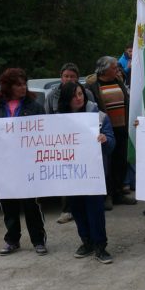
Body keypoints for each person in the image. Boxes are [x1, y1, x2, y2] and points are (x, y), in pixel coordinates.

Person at [0, 68, 48, 256]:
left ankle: (38, 240)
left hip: (28, 164)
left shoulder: (34, 106)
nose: (23, 87)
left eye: (25, 83)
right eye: (18, 84)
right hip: (5, 164)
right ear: (7, 86)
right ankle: (12, 240)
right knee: (8, 205)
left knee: (31, 205)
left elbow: (46, 132)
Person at [57, 81, 116, 264]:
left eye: (81, 93)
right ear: (67, 99)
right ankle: (86, 241)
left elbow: (112, 145)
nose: (78, 98)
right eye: (74, 95)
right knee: (77, 209)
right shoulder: (57, 120)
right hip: (71, 174)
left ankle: (100, 245)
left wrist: (105, 140)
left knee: (95, 210)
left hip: (93, 173)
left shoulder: (99, 117)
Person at [45, 62, 94, 224]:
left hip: (84, 143)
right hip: (62, 144)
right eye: (66, 76)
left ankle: (87, 207)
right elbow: (47, 118)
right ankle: (67, 210)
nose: (69, 79)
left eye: (72, 76)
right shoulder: (52, 95)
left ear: (77, 78)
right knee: (65, 177)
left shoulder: (86, 93)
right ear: (61, 77)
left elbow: (93, 115)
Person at [86, 56, 135, 208]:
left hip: (122, 128)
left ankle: (118, 192)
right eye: (114, 68)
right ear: (105, 69)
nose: (117, 70)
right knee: (108, 163)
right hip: (106, 131)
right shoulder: (93, 86)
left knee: (121, 161)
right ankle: (107, 195)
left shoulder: (118, 82)